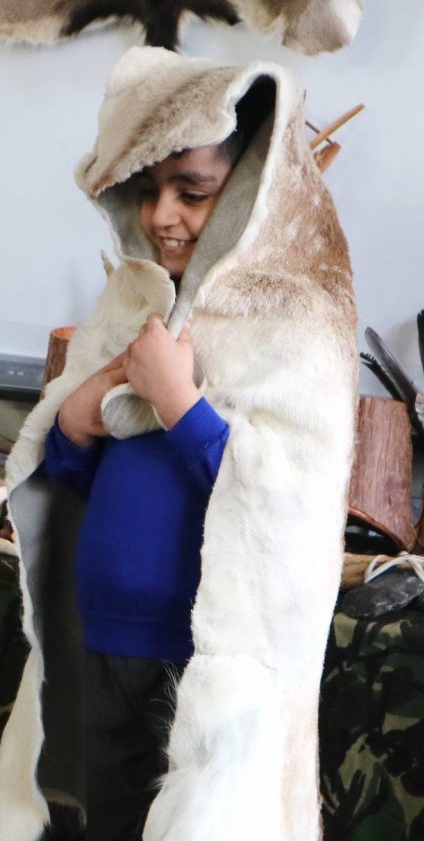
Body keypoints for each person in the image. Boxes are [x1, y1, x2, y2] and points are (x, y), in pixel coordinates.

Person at [42, 138, 246, 840]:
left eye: (192, 193)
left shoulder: (271, 327)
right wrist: (72, 426)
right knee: (108, 821)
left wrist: (177, 401)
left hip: (195, 653)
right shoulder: (136, 306)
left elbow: (270, 501)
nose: (161, 215)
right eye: (149, 191)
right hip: (105, 636)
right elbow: (80, 480)